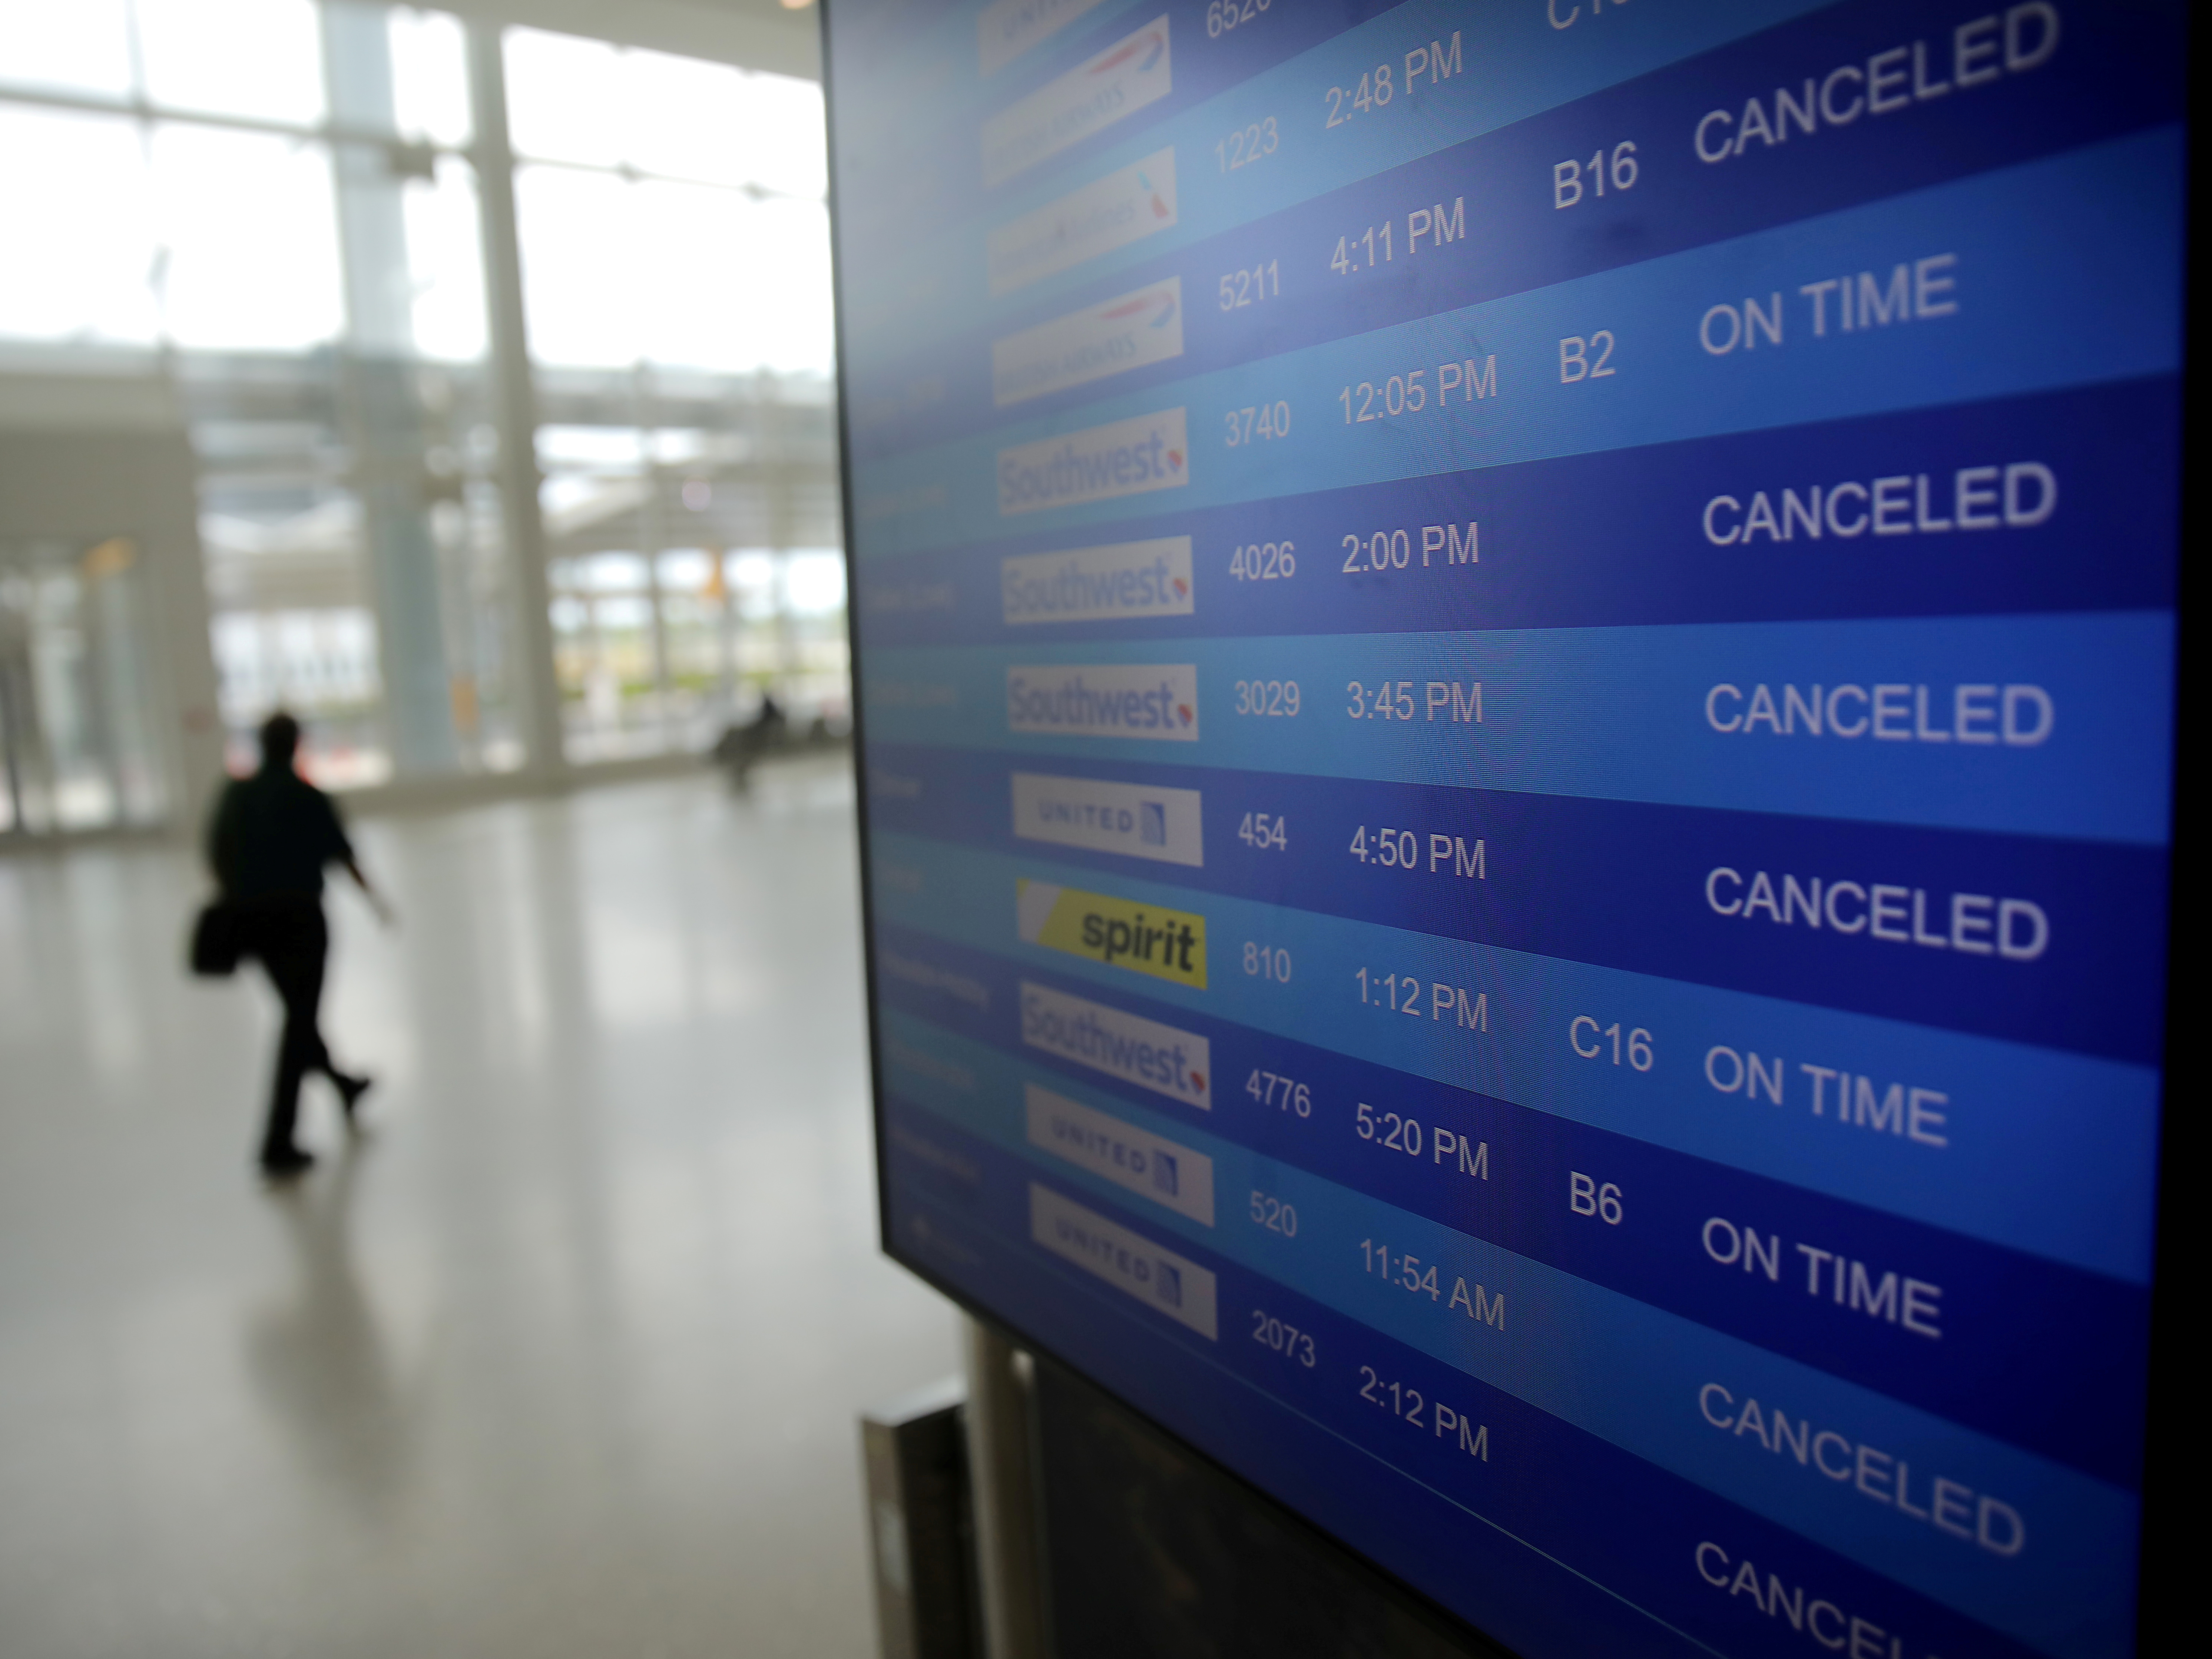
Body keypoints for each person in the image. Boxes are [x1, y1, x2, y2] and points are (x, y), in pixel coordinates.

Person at [206, 713, 391, 1179]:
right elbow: (343, 855)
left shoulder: (237, 794)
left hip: (253, 922)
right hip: (301, 919)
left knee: (297, 1012)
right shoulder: (309, 796)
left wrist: (236, 895)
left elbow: (215, 851)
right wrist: (376, 902)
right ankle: (278, 1140)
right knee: (299, 1019)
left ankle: (344, 1086)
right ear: (296, 746)